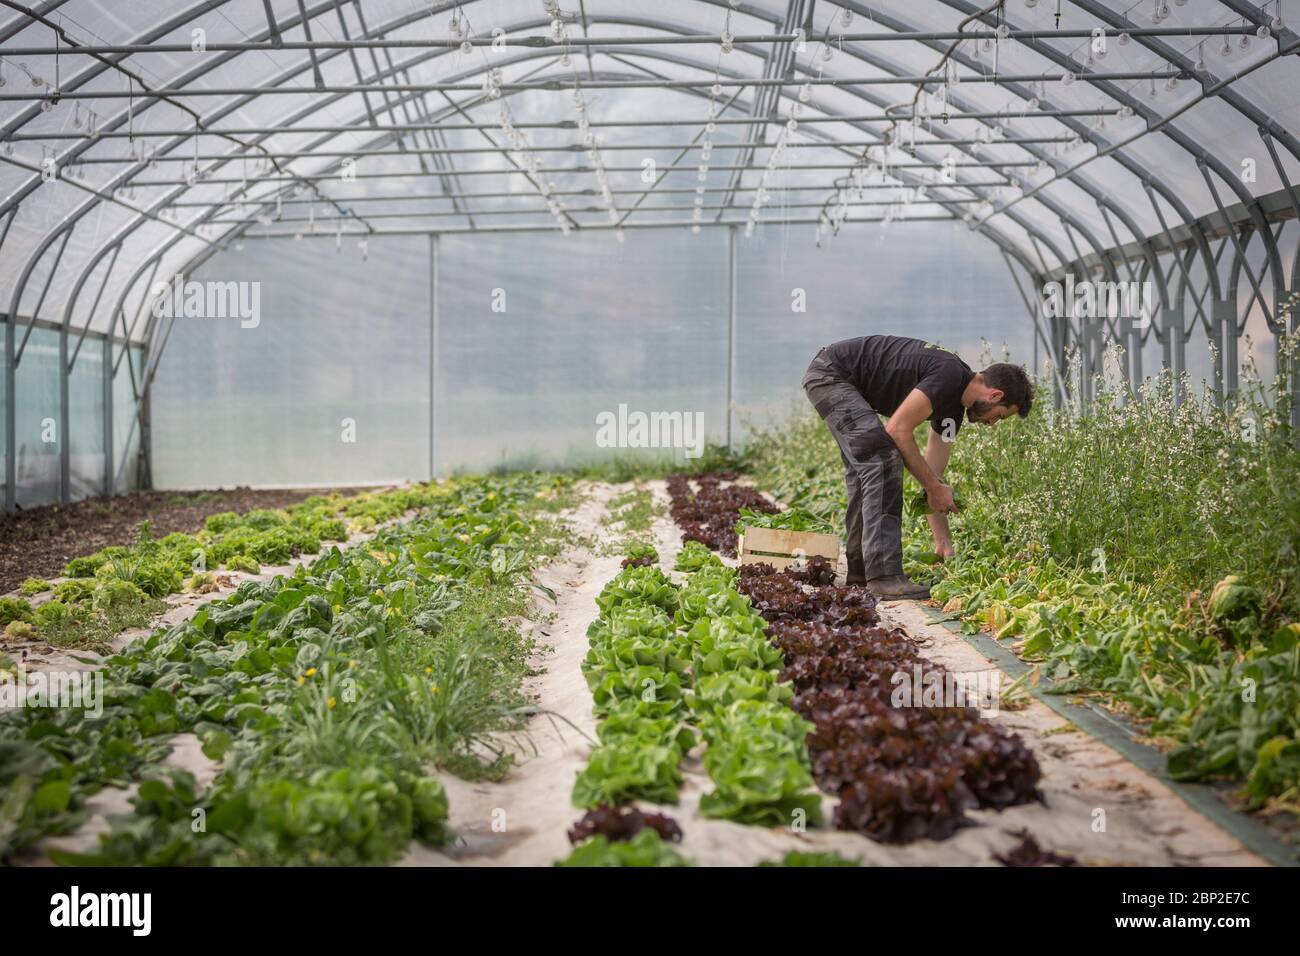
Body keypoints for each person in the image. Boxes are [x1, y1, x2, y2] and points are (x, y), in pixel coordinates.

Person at [801, 335, 1032, 600]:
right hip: (831, 374)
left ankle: (862, 572)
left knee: (867, 466)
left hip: (839, 380)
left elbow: (934, 477)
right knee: (882, 457)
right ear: (995, 395)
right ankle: (885, 577)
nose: (992, 424)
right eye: (999, 416)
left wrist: (942, 539)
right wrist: (933, 487)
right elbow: (898, 429)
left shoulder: (952, 414)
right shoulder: (950, 374)